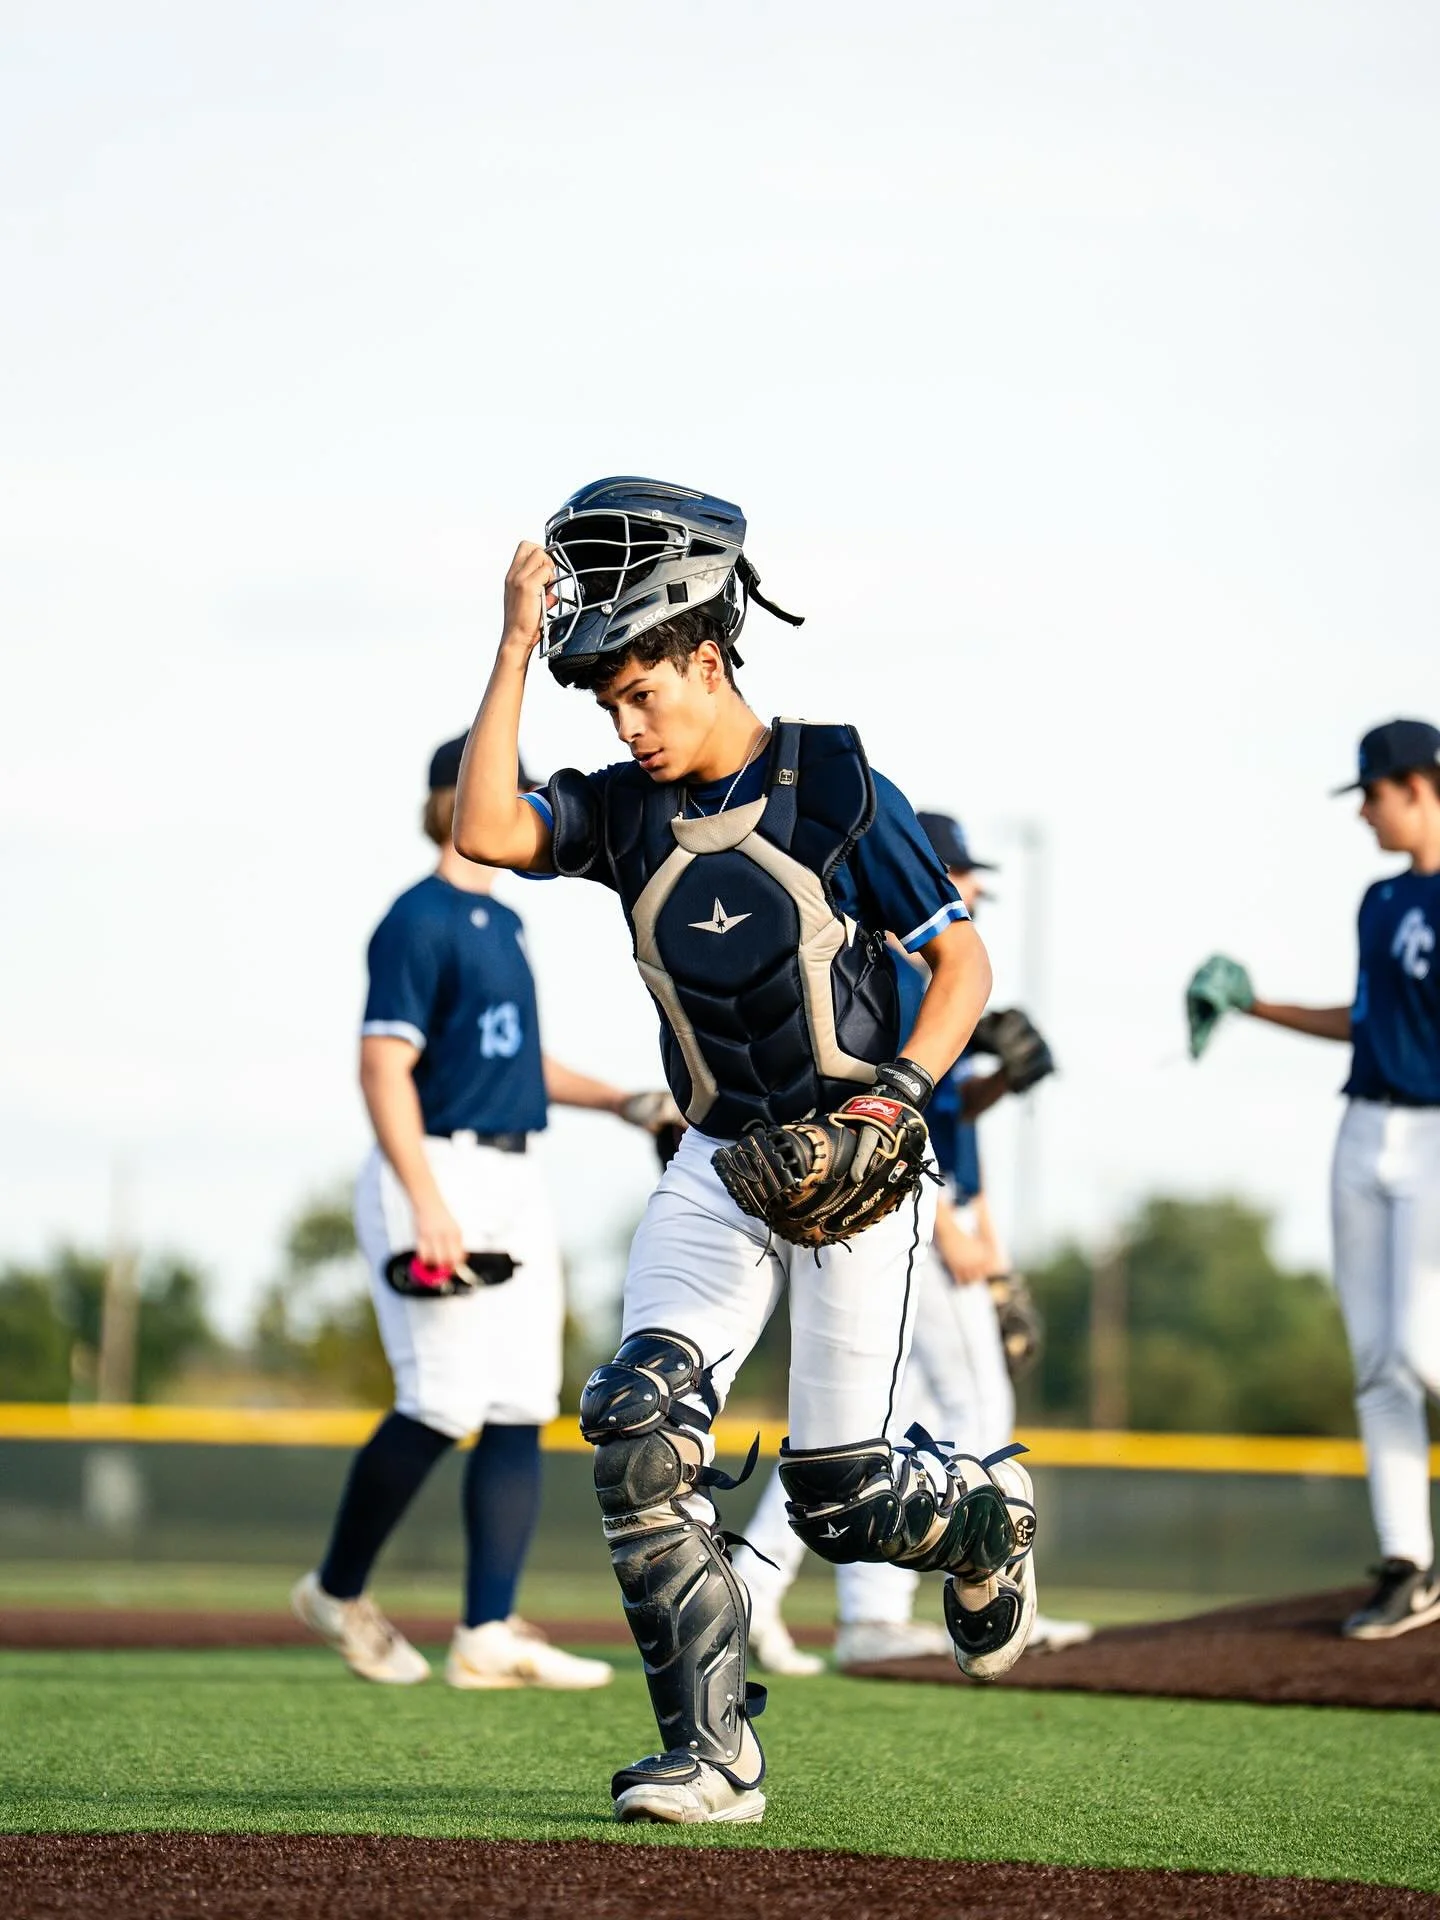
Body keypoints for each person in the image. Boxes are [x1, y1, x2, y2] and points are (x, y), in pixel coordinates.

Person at [453, 477, 1038, 1826]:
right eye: (605, 705)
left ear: (710, 656)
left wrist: (889, 1105)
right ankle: (712, 1757)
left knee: (836, 1504)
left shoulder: (831, 781)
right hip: (716, 1168)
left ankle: (981, 1522)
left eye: (642, 692)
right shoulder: (616, 810)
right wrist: (505, 646)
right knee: (636, 1430)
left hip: (859, 1175)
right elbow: (489, 828)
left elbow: (962, 964)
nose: (626, 724)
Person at [293, 732, 676, 1690]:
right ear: (450, 802)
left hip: (512, 1171)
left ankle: (488, 1631)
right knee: (442, 1398)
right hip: (437, 1169)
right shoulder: (418, 920)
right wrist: (425, 1200)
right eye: (502, 791)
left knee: (519, 1402)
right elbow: (382, 1065)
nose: (524, 810)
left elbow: (518, 1066)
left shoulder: (505, 925)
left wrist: (626, 1101)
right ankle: (335, 1592)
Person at [735, 814, 1091, 1672]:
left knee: (875, 1426)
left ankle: (771, 1589)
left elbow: (958, 1120)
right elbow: (914, 1119)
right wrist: (969, 1236)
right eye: (961, 877)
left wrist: (998, 1088)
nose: (972, 893)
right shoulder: (899, 974)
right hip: (913, 1215)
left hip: (927, 1215)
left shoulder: (910, 974)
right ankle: (985, 1587)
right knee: (977, 1412)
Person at [1186, 717, 1440, 1641]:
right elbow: (1369, 1024)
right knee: (1377, 1364)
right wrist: (1254, 1006)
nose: (1365, 812)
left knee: (1420, 1348)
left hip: (1436, 1131)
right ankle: (1408, 1561)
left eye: (1372, 793)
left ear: (1416, 784)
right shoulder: (1380, 901)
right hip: (1364, 1126)